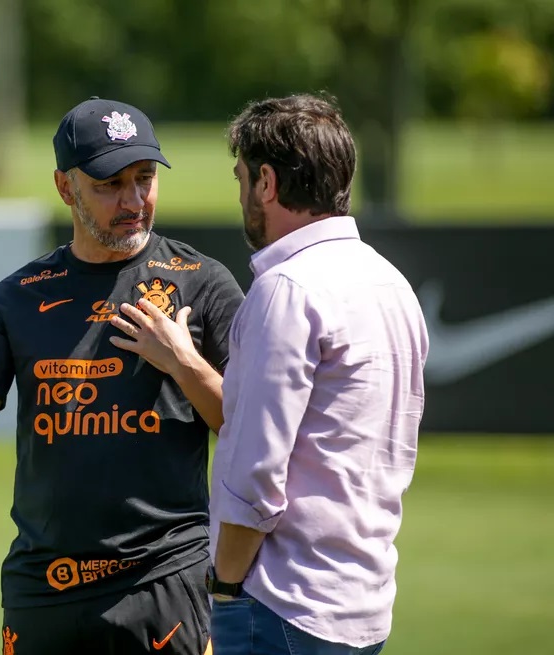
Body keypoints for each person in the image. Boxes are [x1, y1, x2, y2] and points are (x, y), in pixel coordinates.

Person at [0, 96, 245, 654]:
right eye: (109, 184)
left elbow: (250, 426)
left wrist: (183, 362)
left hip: (163, 582)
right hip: (42, 592)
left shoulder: (203, 283)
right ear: (64, 186)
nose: (133, 200)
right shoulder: (15, 300)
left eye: (145, 178)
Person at [206, 93, 429, 655]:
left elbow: (255, 476)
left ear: (266, 183)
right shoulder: (392, 284)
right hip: (364, 603)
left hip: (281, 604)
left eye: (241, 179)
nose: (241, 197)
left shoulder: (286, 288)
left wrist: (224, 586)